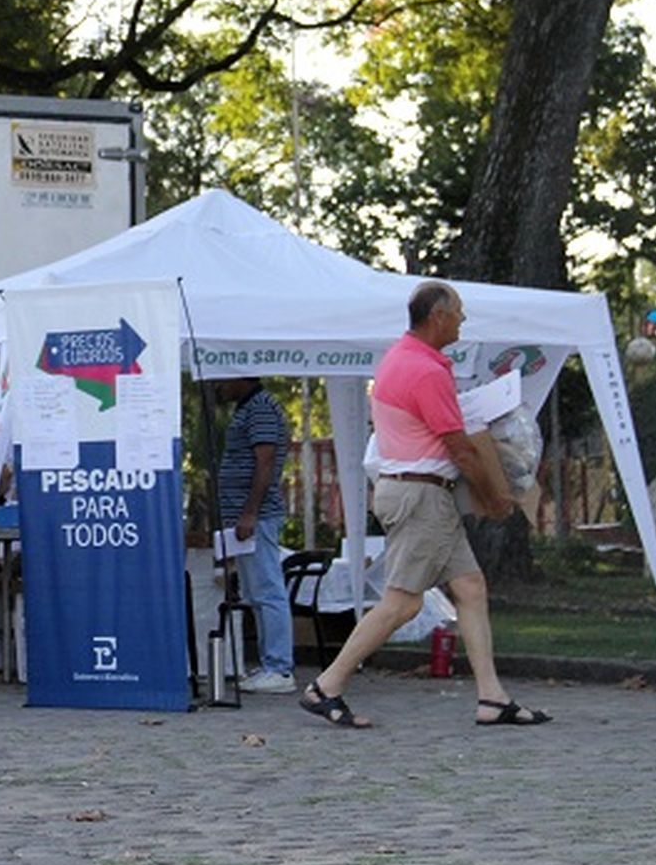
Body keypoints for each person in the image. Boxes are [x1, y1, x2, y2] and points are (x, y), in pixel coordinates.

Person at [299, 280, 552, 728]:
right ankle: (327, 685)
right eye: (458, 312)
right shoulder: (426, 371)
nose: (463, 320)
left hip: (413, 490)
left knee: (470, 587)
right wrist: (495, 497)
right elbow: (461, 449)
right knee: (403, 603)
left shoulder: (400, 358)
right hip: (422, 496)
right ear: (437, 316)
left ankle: (492, 698)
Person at [215, 376, 296, 694]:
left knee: (267, 590)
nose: (218, 386)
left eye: (223, 380)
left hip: (256, 517)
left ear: (242, 377)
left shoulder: (261, 409)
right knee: (255, 592)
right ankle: (269, 664)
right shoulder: (248, 408)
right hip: (246, 516)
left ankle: (279, 667)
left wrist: (250, 511)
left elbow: (265, 463)